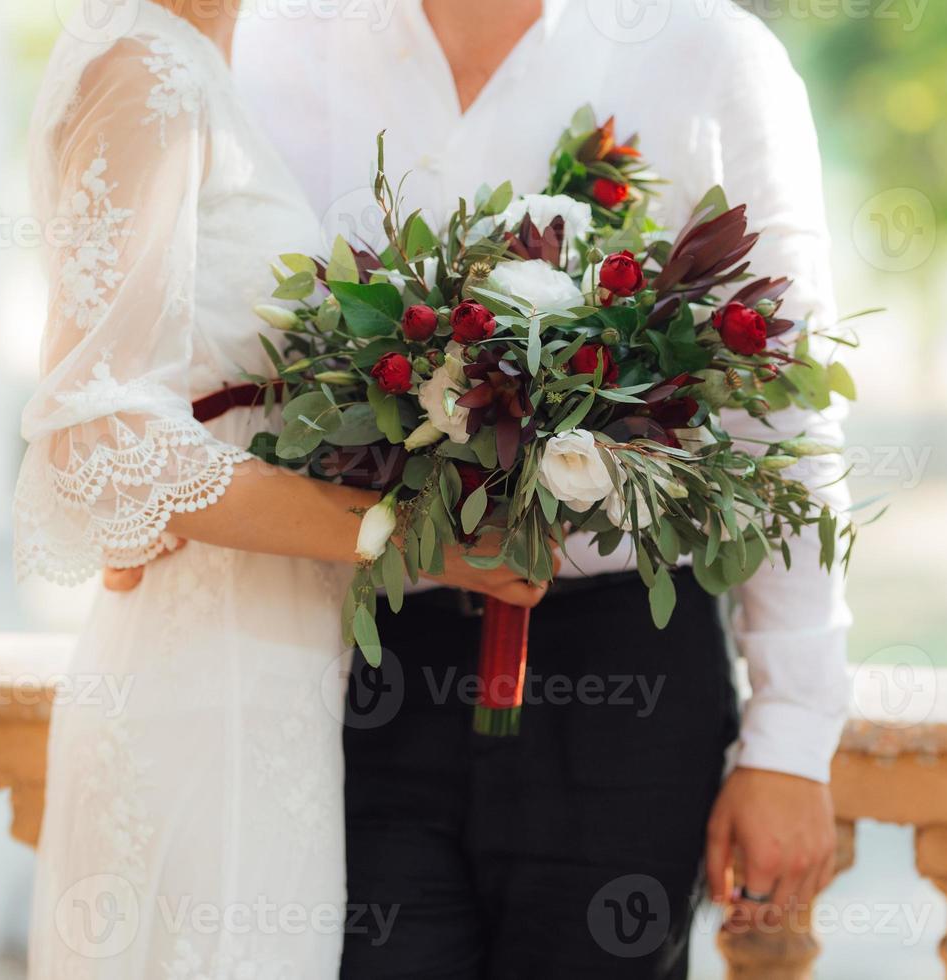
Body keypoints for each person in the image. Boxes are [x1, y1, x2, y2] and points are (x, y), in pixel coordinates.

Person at [230, 0, 854, 975]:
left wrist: (792, 737)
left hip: (625, 674)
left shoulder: (708, 54)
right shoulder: (268, 49)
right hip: (351, 659)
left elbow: (781, 416)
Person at [14, 2, 545, 975]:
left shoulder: (206, 66)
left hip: (275, 678)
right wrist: (415, 533)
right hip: (201, 682)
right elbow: (106, 430)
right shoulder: (145, 68)